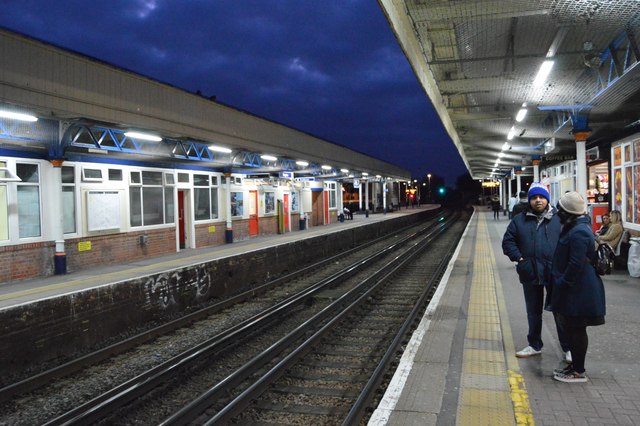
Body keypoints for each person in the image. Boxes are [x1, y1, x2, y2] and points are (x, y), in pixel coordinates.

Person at [502, 182, 570, 361]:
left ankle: (568, 348)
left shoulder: (560, 219)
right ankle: (534, 345)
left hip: (555, 272)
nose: (538, 200)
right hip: (530, 272)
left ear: (547, 199)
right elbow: (508, 242)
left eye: (541, 197)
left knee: (560, 311)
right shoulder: (519, 220)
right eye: (534, 197)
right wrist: (520, 259)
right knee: (533, 311)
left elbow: (571, 241)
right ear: (529, 200)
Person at [549, 191, 605, 383]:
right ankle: (575, 366)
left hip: (579, 289)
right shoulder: (576, 226)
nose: (557, 213)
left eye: (559, 209)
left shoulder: (579, 231)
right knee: (573, 328)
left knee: (577, 329)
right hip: (576, 287)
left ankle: (579, 372)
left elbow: (576, 263)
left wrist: (562, 282)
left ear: (566, 211)